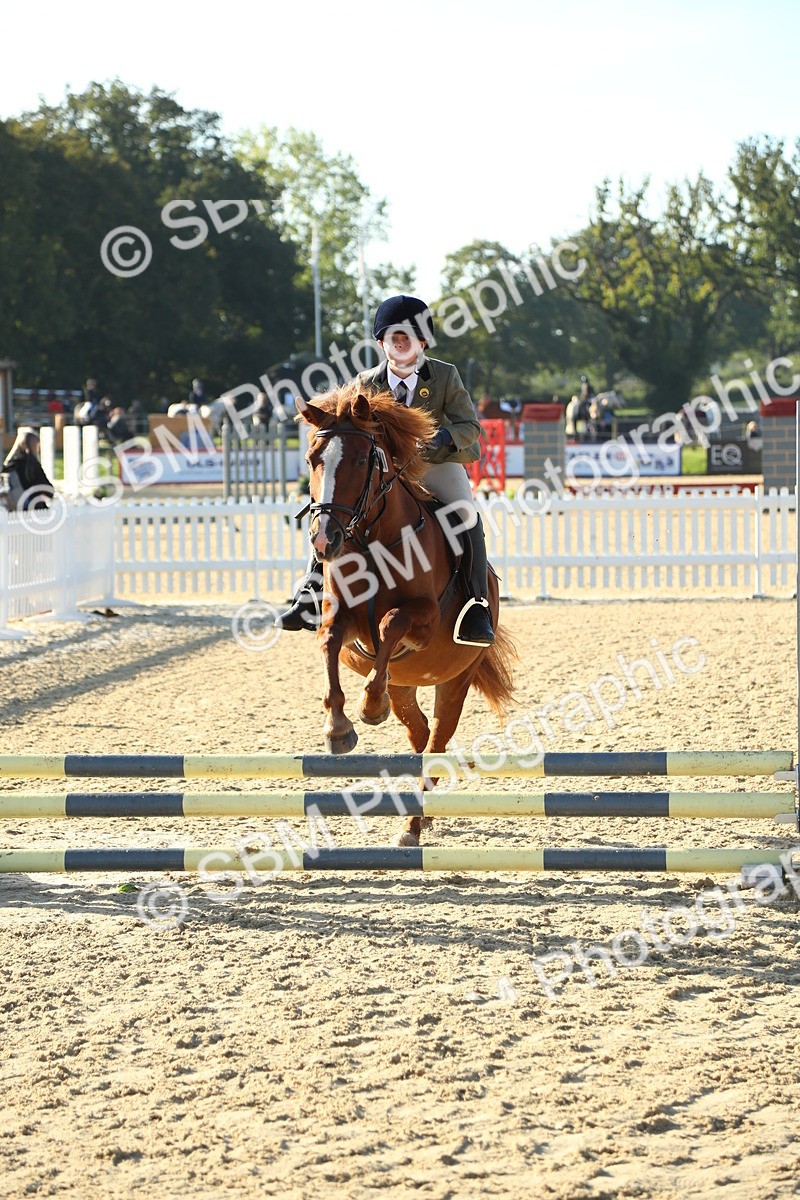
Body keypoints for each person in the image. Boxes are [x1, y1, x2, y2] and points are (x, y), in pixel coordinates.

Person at [280, 294, 495, 646]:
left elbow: (470, 426)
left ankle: (476, 605)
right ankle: (310, 593)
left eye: (406, 337)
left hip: (436, 463)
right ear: (381, 344)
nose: (399, 343)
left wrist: (442, 437)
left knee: (466, 514)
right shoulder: (365, 381)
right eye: (392, 338)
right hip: (385, 469)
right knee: (334, 510)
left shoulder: (444, 375)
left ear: (422, 342)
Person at [1, 428, 55, 511]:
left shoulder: (8, 465)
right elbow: (48, 489)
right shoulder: (32, 465)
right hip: (33, 509)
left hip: (12, 509)